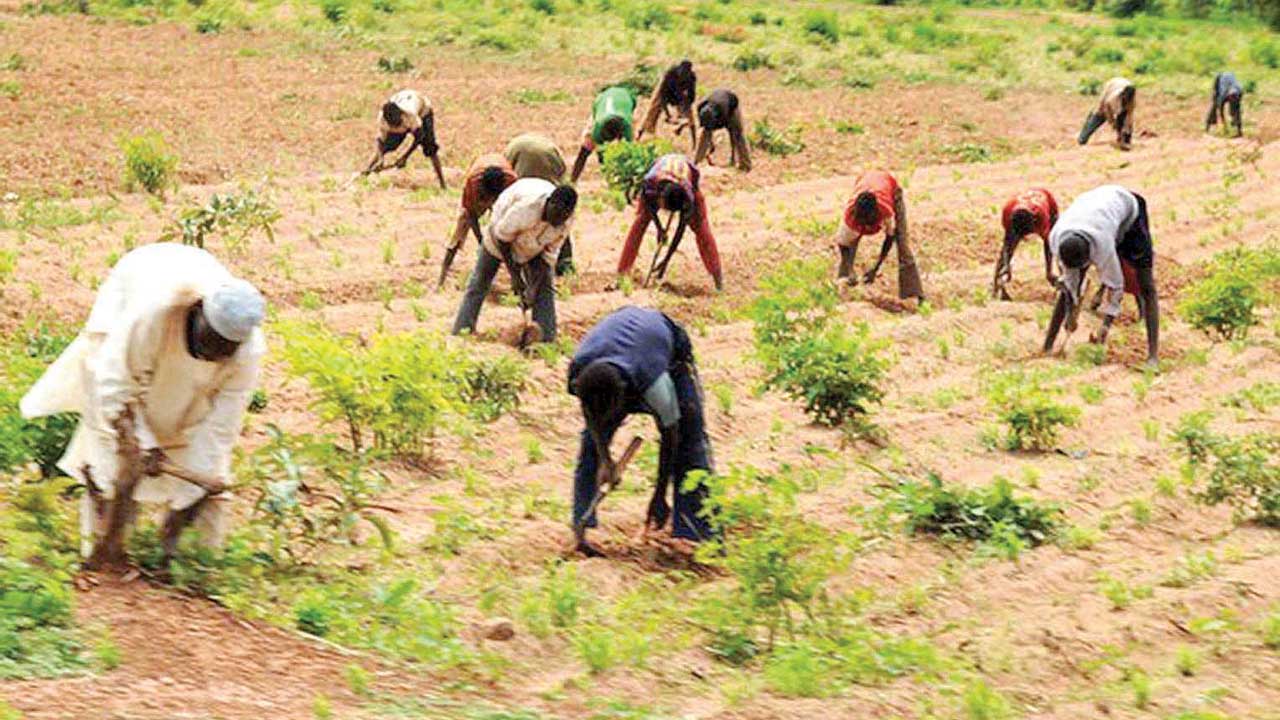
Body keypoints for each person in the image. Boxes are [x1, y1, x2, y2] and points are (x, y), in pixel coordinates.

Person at [20, 243, 266, 567]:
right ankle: (102, 557)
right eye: (209, 342)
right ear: (197, 313)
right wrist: (141, 443)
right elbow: (115, 383)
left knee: (209, 485)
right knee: (109, 459)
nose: (214, 353)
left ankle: (194, 567)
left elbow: (219, 429)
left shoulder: (248, 354)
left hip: (181, 388)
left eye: (225, 349)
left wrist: (184, 506)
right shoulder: (155, 312)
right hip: (125, 331)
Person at [568, 306, 715, 557]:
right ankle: (582, 531)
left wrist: (659, 496)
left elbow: (671, 435)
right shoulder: (580, 375)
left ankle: (697, 534)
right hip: (618, 345)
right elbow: (592, 417)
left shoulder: (654, 383)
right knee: (589, 445)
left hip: (667, 349)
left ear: (623, 398)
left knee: (690, 440)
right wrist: (605, 458)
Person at [1042, 184, 1159, 369]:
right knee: (1066, 290)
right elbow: (1069, 283)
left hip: (1129, 212)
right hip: (1095, 209)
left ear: (1091, 256)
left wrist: (1104, 328)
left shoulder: (1103, 245)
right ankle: (1047, 346)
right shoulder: (1056, 239)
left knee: (1146, 285)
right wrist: (1070, 315)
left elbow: (1116, 287)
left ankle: (1153, 357)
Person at [451, 179, 577, 343]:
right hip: (500, 237)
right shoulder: (526, 208)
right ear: (549, 203)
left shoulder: (565, 222)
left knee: (544, 286)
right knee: (481, 280)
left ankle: (545, 339)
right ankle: (462, 331)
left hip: (533, 243)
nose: (559, 220)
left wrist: (531, 289)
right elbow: (502, 237)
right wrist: (516, 277)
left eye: (564, 216)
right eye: (557, 214)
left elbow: (548, 256)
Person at [616, 153, 723, 291]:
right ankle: (622, 273)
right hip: (659, 172)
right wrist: (659, 228)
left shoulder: (688, 195)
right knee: (640, 223)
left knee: (701, 228)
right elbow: (648, 203)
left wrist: (666, 260)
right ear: (660, 196)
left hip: (689, 182)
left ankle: (717, 277)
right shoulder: (651, 182)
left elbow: (681, 228)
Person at [834, 170, 924, 300]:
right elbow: (843, 244)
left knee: (903, 244)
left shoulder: (885, 211)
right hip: (866, 181)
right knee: (851, 242)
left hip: (890, 187)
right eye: (863, 224)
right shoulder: (850, 215)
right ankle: (844, 286)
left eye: (869, 224)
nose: (866, 228)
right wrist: (849, 268)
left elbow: (890, 237)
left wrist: (876, 268)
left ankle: (914, 295)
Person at [440, 154, 518, 288]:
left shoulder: (512, 181)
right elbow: (470, 213)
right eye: (489, 198)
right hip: (480, 190)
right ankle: (442, 277)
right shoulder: (473, 182)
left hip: (504, 197)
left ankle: (517, 278)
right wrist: (481, 240)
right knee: (461, 226)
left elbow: (515, 210)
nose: (491, 203)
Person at [504, 134, 575, 276]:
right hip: (550, 154)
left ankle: (523, 261)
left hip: (524, 157)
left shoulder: (509, 155)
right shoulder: (516, 151)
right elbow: (561, 171)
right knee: (559, 211)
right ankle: (565, 260)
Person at [362, 89, 446, 188]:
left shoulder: (410, 114)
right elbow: (380, 141)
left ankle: (442, 184)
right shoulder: (382, 119)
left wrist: (405, 157)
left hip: (423, 111)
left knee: (430, 148)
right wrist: (381, 158)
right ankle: (366, 173)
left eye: (397, 124)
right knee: (386, 146)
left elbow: (419, 137)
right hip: (406, 112)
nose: (395, 128)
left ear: (402, 115)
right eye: (393, 126)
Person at [993, 188, 1059, 300]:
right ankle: (996, 285)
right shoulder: (1007, 211)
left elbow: (1048, 243)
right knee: (1008, 247)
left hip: (1048, 201)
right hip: (1020, 209)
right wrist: (1006, 266)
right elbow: (1007, 245)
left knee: (1055, 239)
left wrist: (1049, 272)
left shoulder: (1041, 216)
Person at [571, 86, 638, 183]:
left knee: (627, 151)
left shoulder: (626, 126)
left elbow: (629, 151)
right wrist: (608, 176)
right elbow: (600, 152)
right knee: (585, 150)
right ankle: (572, 181)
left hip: (626, 97)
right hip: (601, 101)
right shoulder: (597, 127)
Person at [637, 60, 698, 151]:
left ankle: (695, 144)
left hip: (679, 93)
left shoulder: (691, 77)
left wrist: (685, 111)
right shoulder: (670, 74)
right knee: (652, 109)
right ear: (679, 69)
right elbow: (663, 94)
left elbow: (691, 96)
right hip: (666, 89)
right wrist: (668, 114)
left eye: (686, 72)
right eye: (682, 72)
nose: (683, 74)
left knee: (691, 117)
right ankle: (640, 134)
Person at [693, 88, 751, 172]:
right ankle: (697, 163)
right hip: (717, 103)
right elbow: (705, 129)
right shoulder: (700, 107)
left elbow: (730, 127)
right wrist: (710, 143)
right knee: (704, 135)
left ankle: (745, 164)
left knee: (737, 135)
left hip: (731, 106)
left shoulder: (722, 111)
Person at [1079, 77, 1136, 150]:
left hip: (1123, 83)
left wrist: (1126, 129)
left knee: (1124, 119)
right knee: (1099, 114)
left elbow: (1129, 115)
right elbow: (1107, 112)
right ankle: (1083, 138)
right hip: (1111, 86)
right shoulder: (1112, 98)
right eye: (1125, 98)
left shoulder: (1131, 99)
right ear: (1123, 95)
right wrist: (1113, 123)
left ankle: (1125, 140)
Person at [1205, 72, 1244, 137]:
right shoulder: (1222, 92)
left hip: (1234, 92)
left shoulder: (1238, 91)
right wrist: (1224, 124)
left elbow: (1237, 108)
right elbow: (1220, 109)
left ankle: (1238, 131)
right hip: (1228, 90)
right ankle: (1208, 127)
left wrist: (1233, 117)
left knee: (1236, 112)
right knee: (1214, 106)